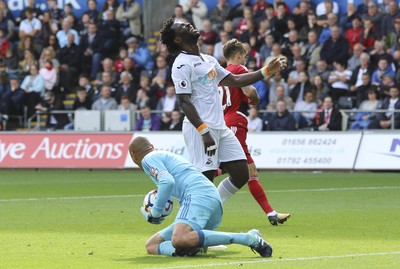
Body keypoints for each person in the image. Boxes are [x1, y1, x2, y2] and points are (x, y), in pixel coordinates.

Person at [160, 18, 286, 204]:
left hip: (220, 127)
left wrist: (266, 71)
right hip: (200, 129)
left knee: (241, 173)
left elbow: (234, 81)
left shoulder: (208, 59)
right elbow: (184, 102)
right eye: (183, 27)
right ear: (178, 39)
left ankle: (210, 206)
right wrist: (203, 131)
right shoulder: (181, 64)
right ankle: (193, 219)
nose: (188, 25)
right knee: (205, 179)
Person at [129, 136, 273, 257]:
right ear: (152, 146)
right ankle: (183, 251)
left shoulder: (148, 159)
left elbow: (167, 182)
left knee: (179, 238)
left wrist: (156, 212)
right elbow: (169, 184)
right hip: (210, 198)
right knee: (152, 245)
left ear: (133, 155)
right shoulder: (164, 156)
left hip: (198, 195)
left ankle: (247, 238)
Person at [221, 39, 290, 225]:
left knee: (248, 170)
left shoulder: (221, 74)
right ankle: (191, 194)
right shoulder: (238, 70)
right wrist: (254, 100)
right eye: (244, 55)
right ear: (237, 55)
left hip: (226, 121)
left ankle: (271, 213)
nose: (245, 59)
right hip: (236, 122)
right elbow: (250, 92)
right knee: (229, 168)